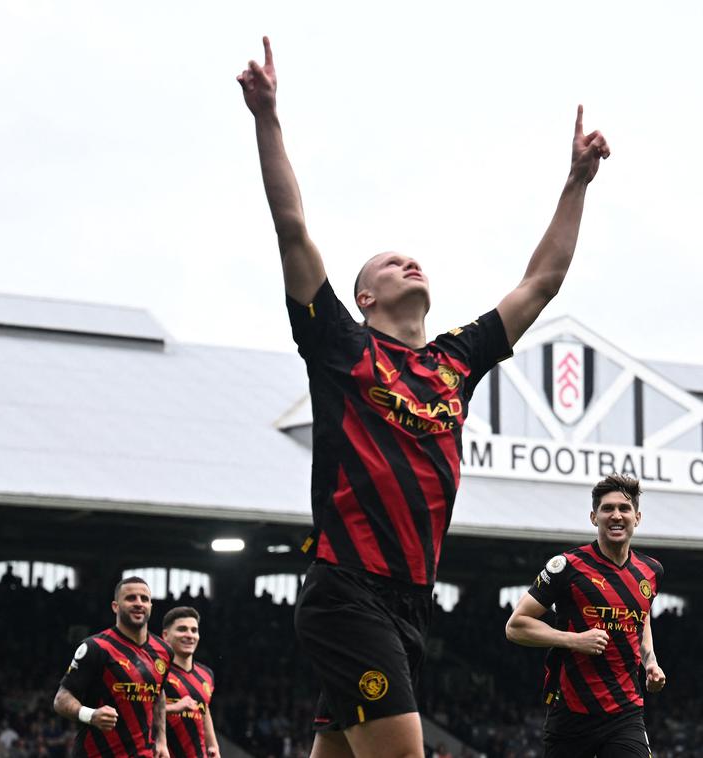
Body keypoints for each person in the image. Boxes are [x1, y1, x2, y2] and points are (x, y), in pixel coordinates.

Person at [237, 36, 610, 758]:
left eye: (415, 258)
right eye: (388, 261)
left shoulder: (455, 360)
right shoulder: (340, 345)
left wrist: (578, 183)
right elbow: (292, 229)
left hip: (409, 601)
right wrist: (267, 118)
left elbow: (541, 283)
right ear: (365, 294)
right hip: (349, 589)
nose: (409, 260)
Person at [505, 475, 665, 758]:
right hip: (571, 714)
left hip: (625, 714)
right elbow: (516, 626)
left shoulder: (651, 571)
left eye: (624, 509)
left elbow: (642, 617)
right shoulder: (567, 567)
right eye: (607, 508)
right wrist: (574, 640)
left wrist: (650, 661)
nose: (616, 515)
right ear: (594, 517)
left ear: (637, 518)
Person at [53, 576, 171, 758]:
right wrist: (90, 715)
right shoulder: (95, 647)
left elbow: (159, 693)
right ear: (115, 606)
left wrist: (162, 740)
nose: (139, 603)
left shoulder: (164, 651)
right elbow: (61, 699)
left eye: (144, 599)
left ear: (151, 607)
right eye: (131, 598)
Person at [161, 606, 220, 758]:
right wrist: (174, 707)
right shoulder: (155, 671)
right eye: (182, 629)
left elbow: (204, 709)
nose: (190, 635)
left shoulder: (206, 674)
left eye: (194, 630)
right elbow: (142, 710)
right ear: (165, 635)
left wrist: (214, 746)